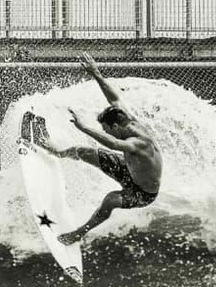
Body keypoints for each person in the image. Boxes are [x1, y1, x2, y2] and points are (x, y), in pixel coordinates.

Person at [34, 53, 163, 245]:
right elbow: (115, 99)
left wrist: (84, 128)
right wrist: (96, 74)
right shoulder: (126, 119)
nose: (105, 131)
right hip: (129, 170)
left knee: (111, 200)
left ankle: (78, 233)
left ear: (115, 127)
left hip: (143, 193)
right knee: (83, 152)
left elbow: (114, 144)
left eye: (106, 129)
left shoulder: (140, 141)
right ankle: (57, 153)